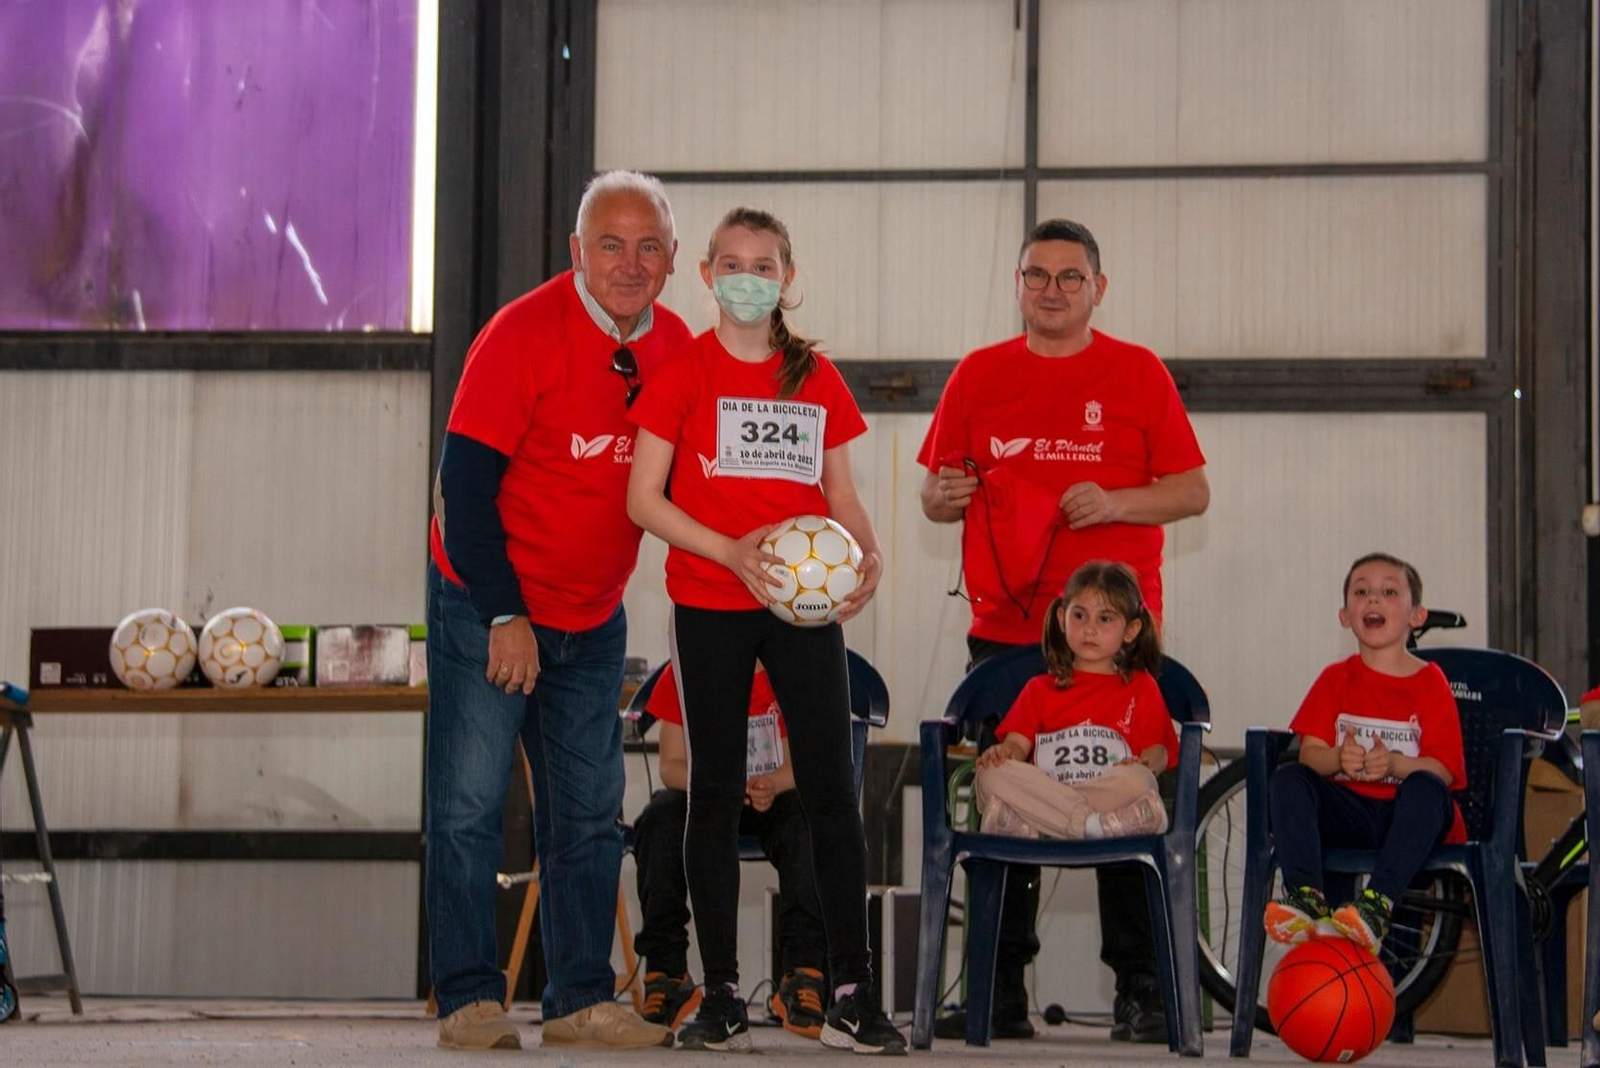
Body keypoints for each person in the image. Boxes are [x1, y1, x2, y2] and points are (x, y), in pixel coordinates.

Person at [917, 218, 1208, 1043]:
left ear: (1097, 289)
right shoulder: (977, 375)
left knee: (1125, 796)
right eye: (1036, 275)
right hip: (1006, 632)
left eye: (1069, 277)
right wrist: (942, 500)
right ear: (1018, 284)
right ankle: (996, 988)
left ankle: (1144, 990)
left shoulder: (1138, 372)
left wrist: (1115, 502)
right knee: (1002, 797)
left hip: (1114, 644)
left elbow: (1191, 492)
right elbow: (936, 495)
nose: (1051, 289)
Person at [626, 206, 906, 1055]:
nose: (749, 277)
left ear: (788, 277)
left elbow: (841, 494)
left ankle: (851, 993)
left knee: (830, 791)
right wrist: (729, 552)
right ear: (706, 274)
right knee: (709, 793)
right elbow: (644, 499)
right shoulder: (680, 372)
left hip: (799, 608)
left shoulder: (814, 376)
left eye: (766, 264)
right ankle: (717, 997)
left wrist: (865, 552)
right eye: (733, 263)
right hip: (710, 599)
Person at [425, 170, 690, 1051]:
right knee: (467, 806)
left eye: (648, 246)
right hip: (487, 604)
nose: (629, 262)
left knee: (587, 812)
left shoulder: (677, 347)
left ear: (673, 260)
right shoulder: (521, 334)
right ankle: (468, 996)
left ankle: (579, 998)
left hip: (592, 612)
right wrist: (503, 613)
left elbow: (693, 478)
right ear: (578, 252)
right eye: (610, 244)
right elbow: (462, 490)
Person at [1264, 552, 1467, 954]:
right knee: (1289, 779)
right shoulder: (1335, 678)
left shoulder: (1430, 682)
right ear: (1345, 615)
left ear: (1416, 615)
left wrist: (1395, 765)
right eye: (1362, 592)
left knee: (1426, 788)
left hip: (1407, 819)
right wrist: (1339, 758)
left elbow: (1444, 769)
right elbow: (1311, 755)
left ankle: (1377, 904)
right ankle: (1306, 895)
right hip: (1351, 813)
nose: (1373, 599)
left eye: (1389, 591)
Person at [631, 661, 830, 1040]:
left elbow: (804, 764)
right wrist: (717, 783)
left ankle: (803, 973)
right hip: (707, 794)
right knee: (658, 820)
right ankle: (667, 972)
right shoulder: (684, 668)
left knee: (807, 824)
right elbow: (671, 768)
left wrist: (772, 783)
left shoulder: (786, 666)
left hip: (772, 796)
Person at [974, 561, 1176, 841]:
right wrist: (1002, 754)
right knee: (989, 775)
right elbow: (1016, 746)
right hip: (1057, 794)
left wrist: (1147, 762)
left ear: (1131, 630)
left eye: (1105, 619)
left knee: (1140, 782)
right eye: (1079, 615)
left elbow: (1159, 752)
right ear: (1061, 618)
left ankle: (1038, 822)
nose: (1089, 629)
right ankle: (1090, 827)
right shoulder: (1039, 689)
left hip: (1101, 796)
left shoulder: (1142, 687)